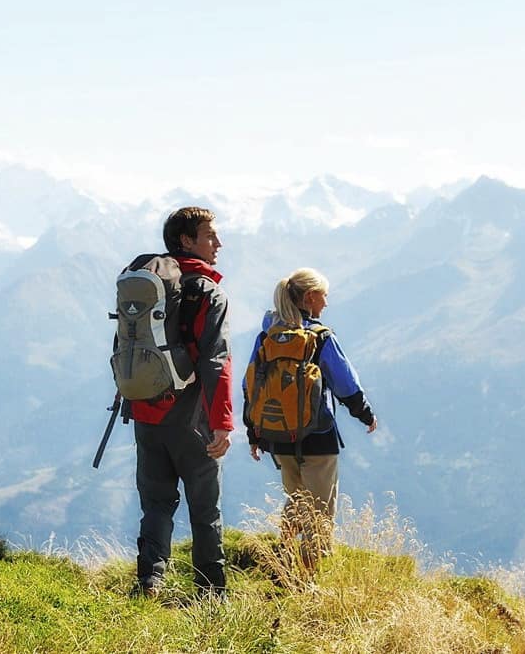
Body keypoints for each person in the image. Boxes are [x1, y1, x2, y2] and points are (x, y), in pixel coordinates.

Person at [129, 206, 233, 598]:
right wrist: (222, 421)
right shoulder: (208, 291)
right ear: (186, 240)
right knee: (205, 509)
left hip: (145, 410)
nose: (218, 243)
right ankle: (210, 591)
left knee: (156, 502)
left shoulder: (146, 288)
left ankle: (150, 582)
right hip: (191, 417)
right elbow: (216, 360)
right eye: (210, 236)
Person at [245, 267, 377, 567]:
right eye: (324, 296)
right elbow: (345, 383)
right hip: (317, 435)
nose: (326, 303)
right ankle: (312, 574)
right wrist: (365, 413)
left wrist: (255, 432)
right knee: (320, 510)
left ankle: (284, 562)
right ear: (309, 297)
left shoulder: (267, 336)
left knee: (296, 499)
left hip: (278, 434)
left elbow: (250, 385)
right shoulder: (319, 337)